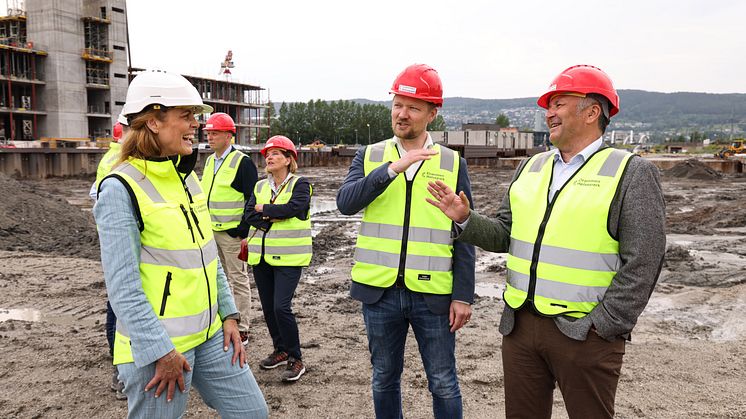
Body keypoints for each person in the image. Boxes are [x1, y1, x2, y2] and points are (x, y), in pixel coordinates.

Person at [427, 65, 666, 418]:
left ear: (592, 112)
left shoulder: (631, 172)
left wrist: (605, 324)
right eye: (547, 105)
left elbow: (645, 261)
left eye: (559, 103)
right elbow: (505, 234)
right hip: (521, 327)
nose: (548, 113)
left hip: (585, 334)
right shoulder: (531, 167)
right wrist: (465, 218)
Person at [94, 70, 268, 418]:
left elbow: (207, 256)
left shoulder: (187, 179)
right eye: (186, 115)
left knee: (252, 412)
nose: (196, 124)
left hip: (209, 334)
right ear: (154, 121)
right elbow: (122, 286)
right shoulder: (119, 187)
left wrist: (229, 315)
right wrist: (160, 350)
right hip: (159, 347)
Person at [336, 63, 476, 419]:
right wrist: (392, 170)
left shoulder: (452, 161)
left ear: (432, 113)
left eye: (413, 107)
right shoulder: (370, 155)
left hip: (433, 296)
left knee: (443, 381)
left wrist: (462, 294)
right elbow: (346, 202)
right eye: (398, 104)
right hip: (379, 292)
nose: (402, 113)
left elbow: (465, 231)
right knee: (384, 378)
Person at [242, 135, 312, 382]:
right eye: (267, 154)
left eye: (275, 154)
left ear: (288, 159)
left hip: (290, 258)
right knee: (270, 309)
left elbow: (293, 209)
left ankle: (296, 358)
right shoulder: (260, 186)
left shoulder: (301, 184)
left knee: (282, 307)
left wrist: (265, 210)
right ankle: (280, 350)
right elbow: (248, 215)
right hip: (261, 257)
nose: (269, 157)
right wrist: (269, 214)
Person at [200, 112, 258, 345]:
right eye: (208, 133)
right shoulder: (209, 161)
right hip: (210, 232)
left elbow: (251, 198)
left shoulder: (242, 162)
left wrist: (243, 230)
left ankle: (242, 327)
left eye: (214, 133)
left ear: (228, 135)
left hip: (232, 234)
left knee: (237, 279)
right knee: (215, 279)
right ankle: (223, 321)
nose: (210, 137)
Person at [89, 114, 130, 400]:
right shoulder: (118, 159)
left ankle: (120, 363)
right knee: (119, 304)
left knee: (117, 302)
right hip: (122, 241)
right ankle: (120, 369)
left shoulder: (113, 157)